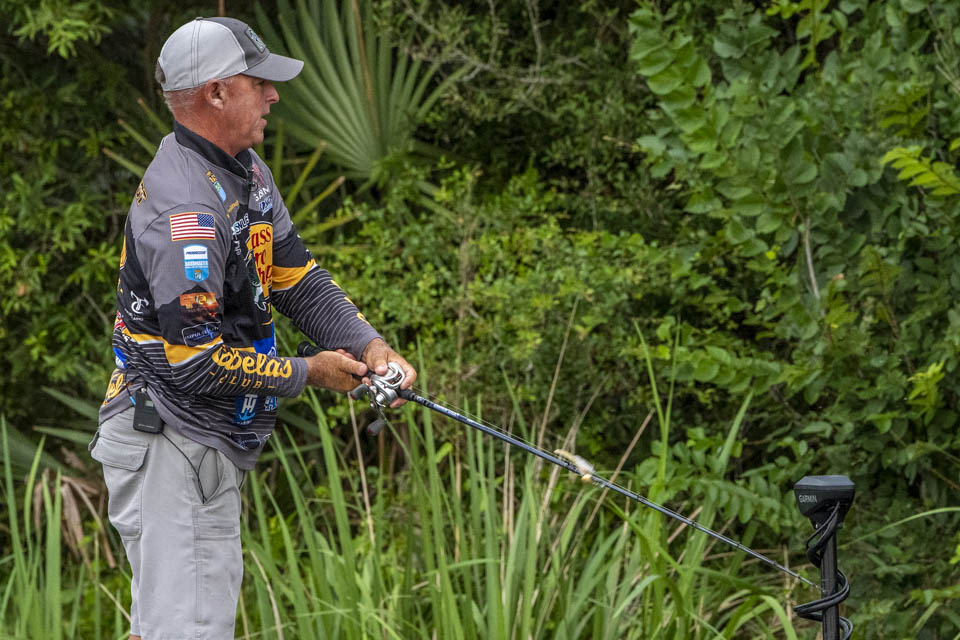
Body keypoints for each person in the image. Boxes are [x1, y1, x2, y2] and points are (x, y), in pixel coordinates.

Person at [89, 16, 416, 640]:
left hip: (195, 443)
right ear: (216, 92)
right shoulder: (187, 213)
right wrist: (310, 372)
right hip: (171, 444)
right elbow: (197, 362)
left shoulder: (246, 172)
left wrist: (368, 345)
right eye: (257, 82)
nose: (273, 95)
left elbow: (297, 279)